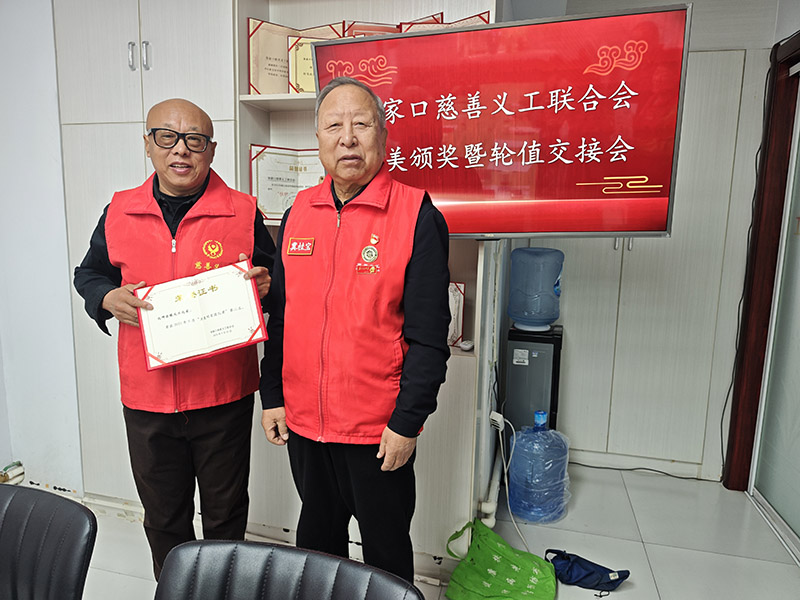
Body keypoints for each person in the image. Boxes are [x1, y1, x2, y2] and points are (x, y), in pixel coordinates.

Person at [73, 98, 274, 579]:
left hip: (223, 394)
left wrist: (267, 286)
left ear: (212, 150)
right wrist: (106, 297)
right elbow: (89, 274)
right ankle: (175, 589)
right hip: (147, 396)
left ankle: (223, 589)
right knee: (163, 516)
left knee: (226, 513)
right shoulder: (119, 211)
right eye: (167, 137)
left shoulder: (243, 211)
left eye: (195, 140)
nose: (180, 150)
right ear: (148, 144)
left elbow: (277, 282)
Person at [259, 77, 450, 582]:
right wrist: (272, 395)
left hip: (376, 430)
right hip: (304, 423)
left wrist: (406, 423)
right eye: (334, 125)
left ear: (383, 137)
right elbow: (282, 317)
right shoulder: (298, 212)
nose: (347, 137)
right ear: (318, 139)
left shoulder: (416, 216)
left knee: (385, 555)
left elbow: (430, 339)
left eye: (361, 124)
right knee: (317, 547)